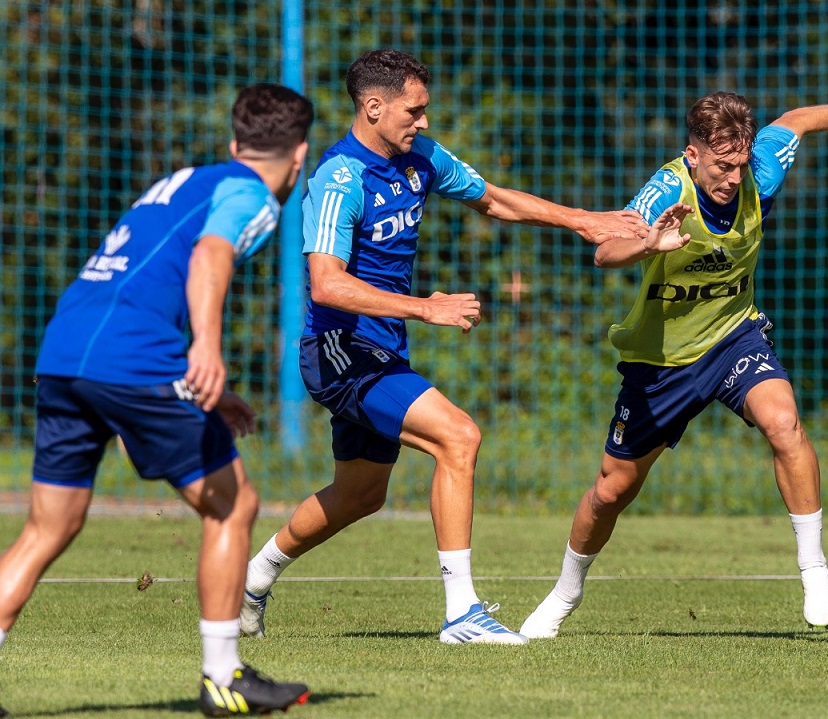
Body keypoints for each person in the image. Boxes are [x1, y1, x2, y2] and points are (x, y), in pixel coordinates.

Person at [238, 49, 649, 646]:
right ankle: (462, 615)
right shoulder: (339, 178)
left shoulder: (420, 159)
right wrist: (425, 308)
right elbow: (327, 283)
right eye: (415, 110)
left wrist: (584, 220)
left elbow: (494, 198)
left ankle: (256, 575)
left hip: (382, 350)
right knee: (459, 435)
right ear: (373, 108)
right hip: (339, 351)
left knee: (361, 493)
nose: (424, 122)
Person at [517, 91, 828, 639]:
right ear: (692, 155)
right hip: (661, 362)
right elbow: (604, 252)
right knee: (611, 491)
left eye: (740, 163)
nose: (733, 176)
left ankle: (814, 570)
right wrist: (649, 244)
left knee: (784, 423)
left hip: (732, 338)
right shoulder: (667, 189)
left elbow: (794, 121)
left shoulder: (759, 169)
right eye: (721, 166)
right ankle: (565, 593)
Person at [0, 83, 315, 717]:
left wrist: (210, 389)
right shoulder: (251, 194)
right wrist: (206, 349)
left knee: (48, 525)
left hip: (65, 352)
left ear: (234, 143)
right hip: (133, 356)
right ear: (300, 155)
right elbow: (208, 258)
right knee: (233, 504)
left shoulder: (184, 179)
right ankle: (224, 676)